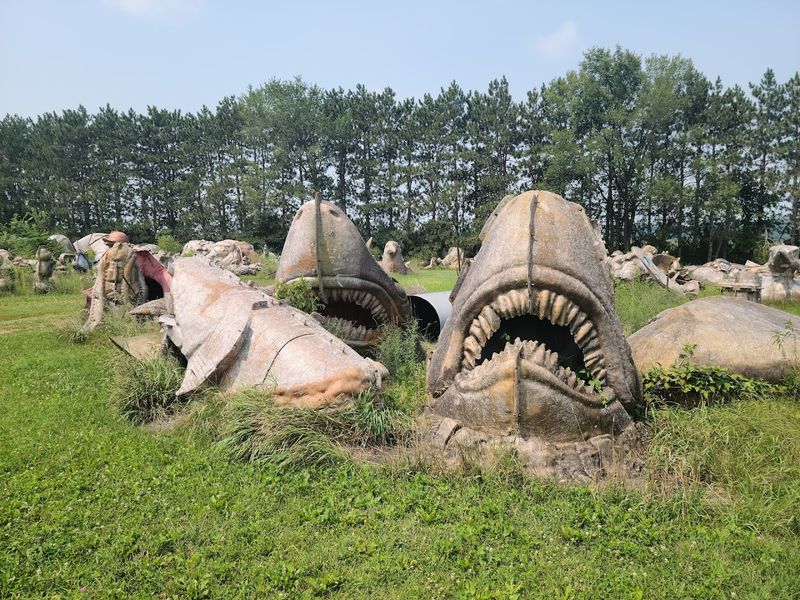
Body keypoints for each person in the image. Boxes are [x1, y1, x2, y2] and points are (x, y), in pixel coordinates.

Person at [82, 231, 146, 331]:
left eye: (112, 244)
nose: (111, 248)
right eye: (109, 245)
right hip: (109, 302)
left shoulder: (132, 260)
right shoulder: (105, 260)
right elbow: (100, 280)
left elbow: (142, 286)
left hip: (126, 305)